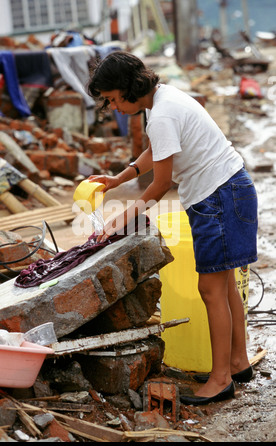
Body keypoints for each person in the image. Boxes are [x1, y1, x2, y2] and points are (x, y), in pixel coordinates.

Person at [87, 51, 258, 405]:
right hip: (228, 191)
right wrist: (120, 178)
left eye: (114, 99)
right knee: (224, 286)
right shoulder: (164, 99)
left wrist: (122, 217)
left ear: (129, 89)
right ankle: (238, 362)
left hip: (219, 197)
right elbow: (160, 150)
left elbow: (160, 183)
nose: (114, 107)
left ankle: (221, 378)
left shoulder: (161, 114)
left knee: (211, 289)